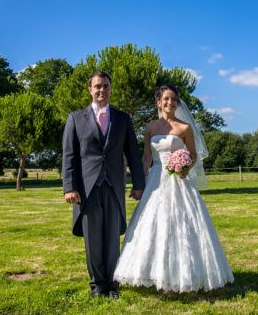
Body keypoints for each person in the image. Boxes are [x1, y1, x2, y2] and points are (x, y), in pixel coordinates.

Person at [113, 84, 234, 292]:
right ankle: (153, 272)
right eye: (166, 99)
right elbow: (146, 158)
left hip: (179, 181)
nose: (170, 103)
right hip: (156, 181)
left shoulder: (185, 128)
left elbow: (194, 154)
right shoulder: (151, 127)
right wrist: (139, 184)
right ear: (158, 102)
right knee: (152, 224)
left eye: (174, 99)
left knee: (181, 225)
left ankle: (186, 274)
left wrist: (184, 166)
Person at [62, 71, 145, 299]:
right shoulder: (75, 118)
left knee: (111, 238)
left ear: (110, 88)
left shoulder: (122, 119)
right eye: (97, 86)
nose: (102, 90)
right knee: (93, 240)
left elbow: (133, 154)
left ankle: (112, 284)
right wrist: (69, 187)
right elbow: (69, 156)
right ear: (90, 89)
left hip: (113, 186)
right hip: (86, 190)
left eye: (106, 86)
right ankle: (98, 286)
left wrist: (138, 184)